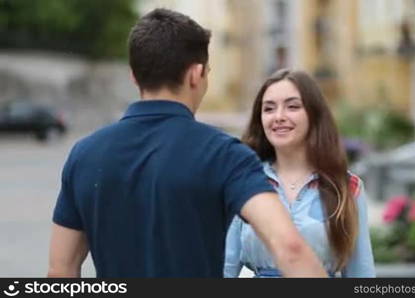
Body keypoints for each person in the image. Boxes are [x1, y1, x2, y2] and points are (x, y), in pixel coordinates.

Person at [47, 9, 327, 278]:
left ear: (134, 75)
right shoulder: (225, 155)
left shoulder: (84, 155)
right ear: (196, 74)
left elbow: (61, 270)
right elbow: (290, 249)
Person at [224, 69, 376, 278]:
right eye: (268, 109)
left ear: (314, 115)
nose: (278, 117)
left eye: (292, 107)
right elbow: (224, 267)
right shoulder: (243, 182)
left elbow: (361, 273)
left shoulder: (346, 187)